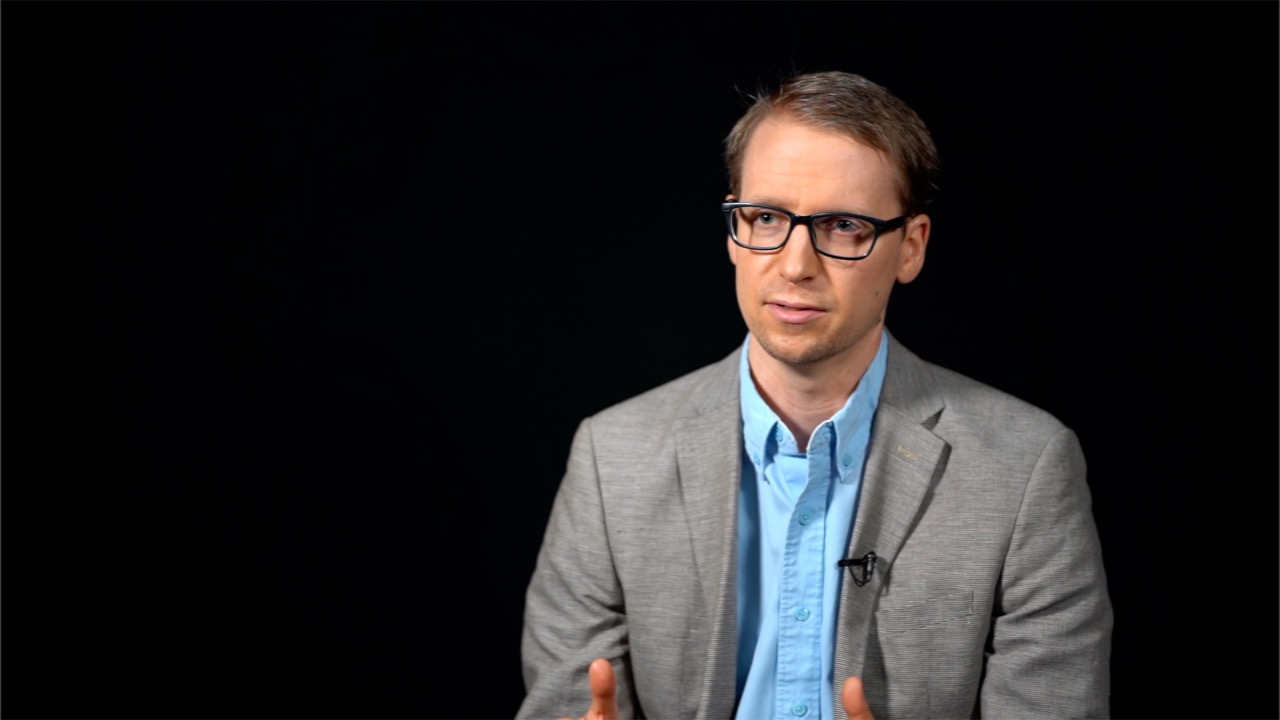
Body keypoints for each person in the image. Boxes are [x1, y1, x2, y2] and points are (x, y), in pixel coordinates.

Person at [517, 70, 1112, 720]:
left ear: (910, 248)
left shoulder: (1026, 469)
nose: (796, 265)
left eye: (844, 225)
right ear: (733, 231)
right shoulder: (611, 458)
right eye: (766, 217)